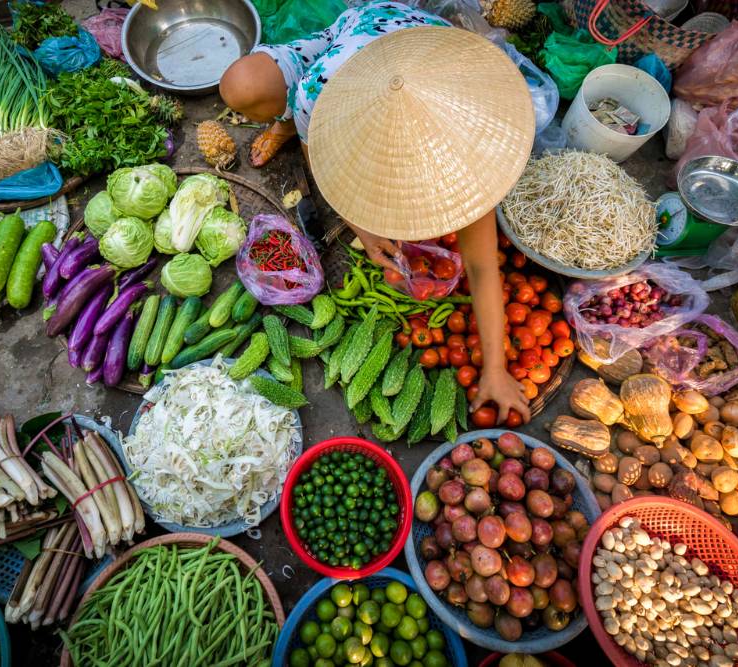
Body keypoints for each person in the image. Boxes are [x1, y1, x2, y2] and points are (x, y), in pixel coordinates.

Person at [220, 2, 536, 424]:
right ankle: (282, 121)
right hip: (357, 36)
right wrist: (362, 227)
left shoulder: (466, 159)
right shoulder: (321, 96)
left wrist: (494, 369)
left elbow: (481, 268)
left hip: (426, 52)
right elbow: (323, 167)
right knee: (241, 86)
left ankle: (292, 115)